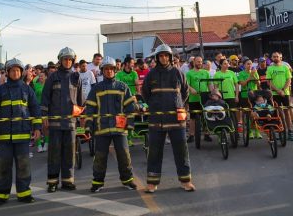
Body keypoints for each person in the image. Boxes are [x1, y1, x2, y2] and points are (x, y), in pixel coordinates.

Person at [141, 44, 195, 193]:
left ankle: (186, 181)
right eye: (161, 56)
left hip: (177, 120)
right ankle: (152, 183)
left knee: (181, 151)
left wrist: (177, 104)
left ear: (170, 57)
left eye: (166, 55)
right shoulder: (151, 75)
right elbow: (144, 92)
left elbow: (184, 93)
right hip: (156, 120)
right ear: (157, 58)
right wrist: (153, 104)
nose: (164, 58)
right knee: (154, 152)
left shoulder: (178, 73)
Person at [0, 58, 42, 206]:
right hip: (4, 136)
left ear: (21, 72)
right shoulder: (1, 90)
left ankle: (24, 193)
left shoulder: (27, 89)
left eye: (18, 70)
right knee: (3, 166)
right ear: (7, 72)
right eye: (12, 70)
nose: (15, 72)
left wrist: (37, 128)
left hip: (23, 135)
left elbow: (35, 109)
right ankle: (1, 195)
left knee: (23, 166)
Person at [84, 57, 138, 192]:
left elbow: (130, 107)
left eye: (111, 69)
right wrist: (88, 126)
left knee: (124, 155)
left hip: (119, 129)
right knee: (100, 157)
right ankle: (97, 182)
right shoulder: (96, 88)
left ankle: (127, 180)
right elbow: (90, 108)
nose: (109, 71)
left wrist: (130, 124)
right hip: (102, 129)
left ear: (115, 70)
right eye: (106, 69)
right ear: (102, 71)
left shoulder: (122, 87)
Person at [40, 47, 83, 192]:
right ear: (60, 60)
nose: (68, 61)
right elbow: (45, 98)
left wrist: (81, 117)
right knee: (54, 153)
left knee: (70, 153)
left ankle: (68, 180)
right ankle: (52, 182)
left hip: (70, 123)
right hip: (55, 123)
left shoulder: (76, 77)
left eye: (70, 59)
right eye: (65, 59)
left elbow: (80, 100)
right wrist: (44, 116)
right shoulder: (53, 77)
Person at [267, 52, 293, 141]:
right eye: (274, 57)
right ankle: (280, 131)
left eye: (277, 57)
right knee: (278, 113)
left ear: (281, 57)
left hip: (285, 93)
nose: (276, 58)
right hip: (275, 94)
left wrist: (283, 90)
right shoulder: (270, 68)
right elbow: (269, 82)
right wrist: (277, 90)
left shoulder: (285, 67)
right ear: (272, 58)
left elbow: (289, 80)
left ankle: (290, 131)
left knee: (287, 112)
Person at [185, 56, 210, 143]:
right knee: (192, 117)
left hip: (204, 98)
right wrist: (191, 89)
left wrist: (212, 92)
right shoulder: (189, 73)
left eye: (201, 62)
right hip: (193, 98)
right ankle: (191, 135)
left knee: (205, 116)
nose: (199, 63)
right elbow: (186, 84)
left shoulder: (206, 72)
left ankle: (206, 134)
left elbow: (209, 84)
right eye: (198, 61)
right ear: (194, 62)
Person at [237, 59, 260, 138]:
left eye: (250, 64)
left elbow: (258, 84)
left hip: (254, 95)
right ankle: (249, 131)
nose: (249, 65)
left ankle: (256, 130)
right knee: (248, 114)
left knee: (255, 114)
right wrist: (250, 77)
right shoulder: (241, 73)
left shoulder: (255, 72)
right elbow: (242, 84)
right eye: (247, 64)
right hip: (245, 95)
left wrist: (253, 75)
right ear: (244, 65)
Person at [32, 69, 48, 153]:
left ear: (46, 77)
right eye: (39, 76)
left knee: (45, 126)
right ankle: (38, 145)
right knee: (37, 126)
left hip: (46, 108)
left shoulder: (48, 85)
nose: (40, 77)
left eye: (42, 76)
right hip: (37, 108)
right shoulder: (35, 85)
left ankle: (46, 143)